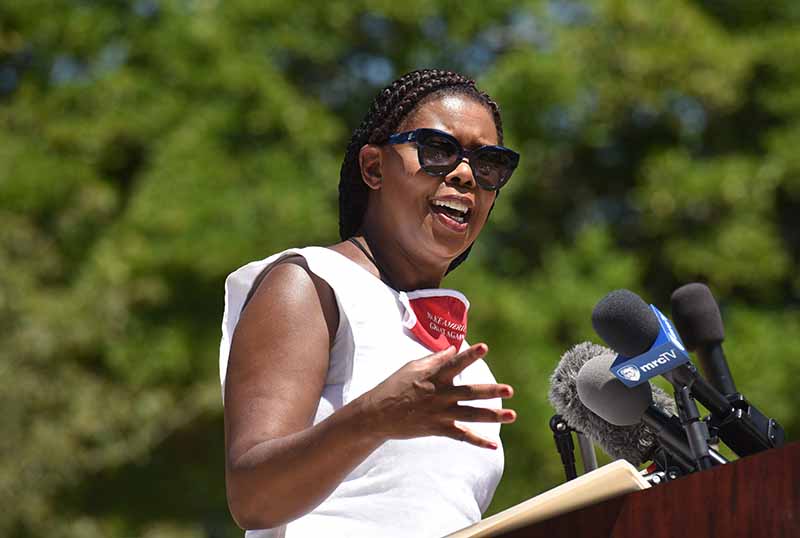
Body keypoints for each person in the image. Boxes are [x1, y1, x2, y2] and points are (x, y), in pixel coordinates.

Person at [219, 68, 521, 538]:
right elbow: (252, 498)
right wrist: (373, 418)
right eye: (437, 150)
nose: (466, 175)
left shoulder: (471, 368)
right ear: (374, 168)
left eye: (489, 164)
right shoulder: (312, 282)